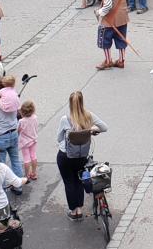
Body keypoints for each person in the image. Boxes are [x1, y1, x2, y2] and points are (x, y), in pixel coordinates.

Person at [56, 91, 107, 220]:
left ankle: (73, 212)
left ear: (70, 104)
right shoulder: (88, 116)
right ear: (82, 102)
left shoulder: (65, 119)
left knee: (69, 182)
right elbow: (104, 127)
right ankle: (79, 209)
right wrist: (93, 130)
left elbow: (59, 138)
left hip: (66, 156)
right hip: (82, 157)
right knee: (79, 181)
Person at [95, 0, 133, 70]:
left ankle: (108, 61)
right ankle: (121, 61)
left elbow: (107, 6)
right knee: (121, 39)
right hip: (123, 16)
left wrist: (99, 12)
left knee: (105, 40)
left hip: (110, 18)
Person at [18, 101, 38, 180]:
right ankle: (34, 173)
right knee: (33, 156)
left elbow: (18, 130)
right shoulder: (35, 117)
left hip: (25, 142)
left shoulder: (21, 121)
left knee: (26, 158)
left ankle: (26, 175)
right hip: (33, 139)